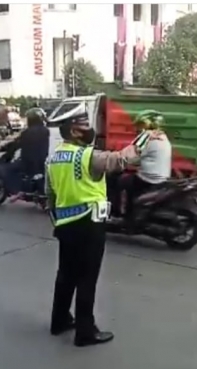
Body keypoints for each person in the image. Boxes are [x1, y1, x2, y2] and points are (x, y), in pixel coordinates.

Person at [45, 103, 144, 347]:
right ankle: (85, 332)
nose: (90, 130)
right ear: (74, 131)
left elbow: (51, 196)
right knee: (87, 279)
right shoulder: (88, 156)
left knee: (65, 276)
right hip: (89, 225)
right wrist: (144, 140)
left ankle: (59, 321)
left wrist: (59, 221)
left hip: (66, 225)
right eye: (85, 125)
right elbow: (120, 161)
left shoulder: (54, 158)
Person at [119, 111, 172, 224]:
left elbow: (131, 155)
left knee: (122, 182)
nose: (137, 128)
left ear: (146, 124)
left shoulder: (147, 137)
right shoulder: (162, 136)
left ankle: (127, 216)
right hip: (162, 178)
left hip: (148, 179)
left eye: (139, 125)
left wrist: (118, 159)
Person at [1, 108, 50, 198]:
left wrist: (6, 150)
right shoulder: (45, 131)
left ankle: (15, 190)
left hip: (27, 163)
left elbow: (16, 145)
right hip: (41, 161)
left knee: (7, 170)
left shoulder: (27, 133)